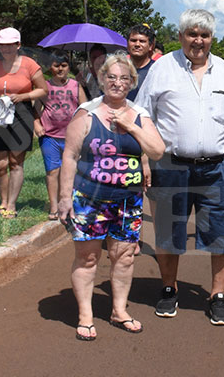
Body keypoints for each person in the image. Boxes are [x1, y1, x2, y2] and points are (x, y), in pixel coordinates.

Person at [133, 8, 224, 326]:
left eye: (205, 34)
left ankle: (217, 296)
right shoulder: (162, 68)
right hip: (170, 165)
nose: (198, 40)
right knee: (169, 232)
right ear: (181, 35)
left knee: (223, 234)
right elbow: (142, 116)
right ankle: (169, 289)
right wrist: (144, 159)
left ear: (212, 38)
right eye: (192, 34)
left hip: (219, 167)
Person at [58, 53, 165, 341]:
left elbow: (157, 151)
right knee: (88, 257)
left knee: (125, 257)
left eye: (124, 78)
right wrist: (64, 197)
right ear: (102, 79)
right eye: (112, 77)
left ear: (132, 83)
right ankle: (85, 315)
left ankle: (119, 311)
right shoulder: (86, 113)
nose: (117, 83)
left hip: (128, 200)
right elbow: (69, 155)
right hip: (90, 199)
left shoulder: (139, 114)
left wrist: (130, 126)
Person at [0, 27, 48, 219]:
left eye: (10, 45)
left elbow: (43, 90)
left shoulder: (29, 65)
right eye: (2, 45)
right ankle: (2, 201)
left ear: (18, 45)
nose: (6, 49)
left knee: (15, 162)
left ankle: (12, 204)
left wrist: (23, 96)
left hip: (21, 112)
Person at [34, 51, 85, 220]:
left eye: (64, 66)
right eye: (56, 66)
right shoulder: (44, 87)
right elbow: (35, 110)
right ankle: (54, 207)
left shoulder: (76, 86)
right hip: (49, 137)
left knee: (71, 171)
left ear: (69, 67)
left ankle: (69, 202)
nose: (60, 69)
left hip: (72, 137)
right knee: (52, 171)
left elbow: (85, 108)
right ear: (51, 67)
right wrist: (37, 124)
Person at [126, 24, 157, 102]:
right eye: (133, 40)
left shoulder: (157, 70)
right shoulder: (118, 69)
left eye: (142, 41)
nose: (137, 44)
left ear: (150, 46)